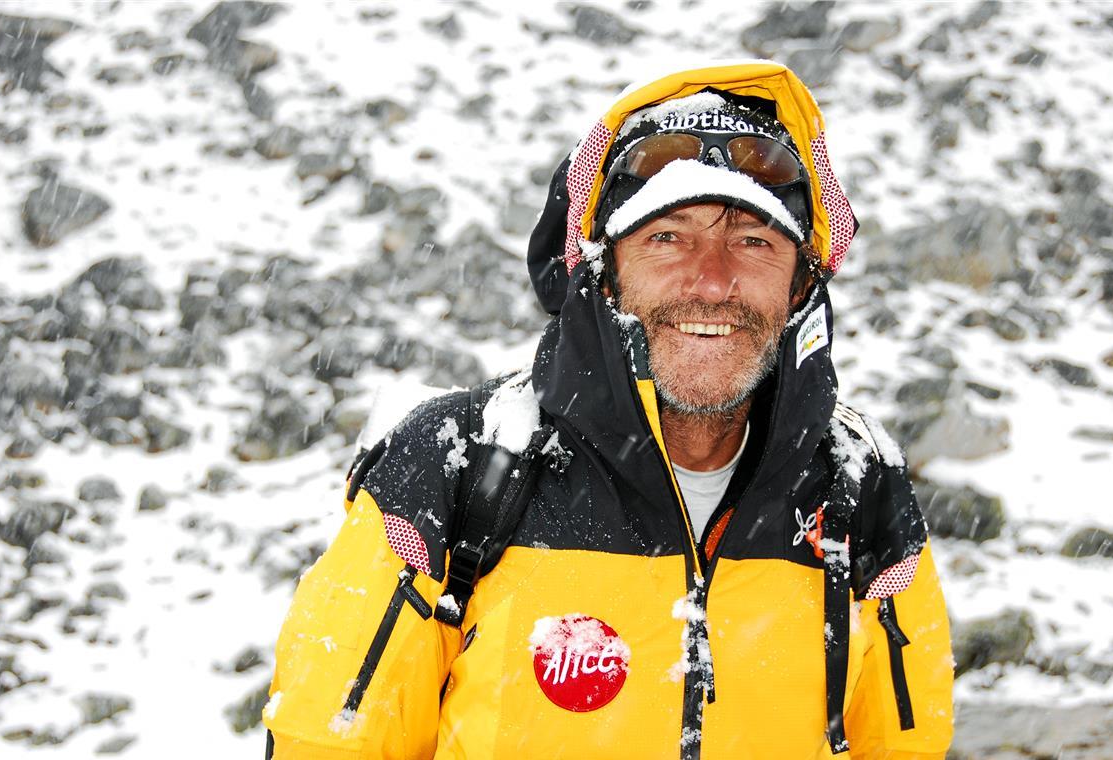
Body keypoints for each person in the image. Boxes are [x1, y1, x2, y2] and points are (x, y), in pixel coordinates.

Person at [263, 61, 954, 759]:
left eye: (754, 241)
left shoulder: (858, 486)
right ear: (604, 273)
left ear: (801, 283)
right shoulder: (457, 469)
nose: (713, 281)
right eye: (667, 237)